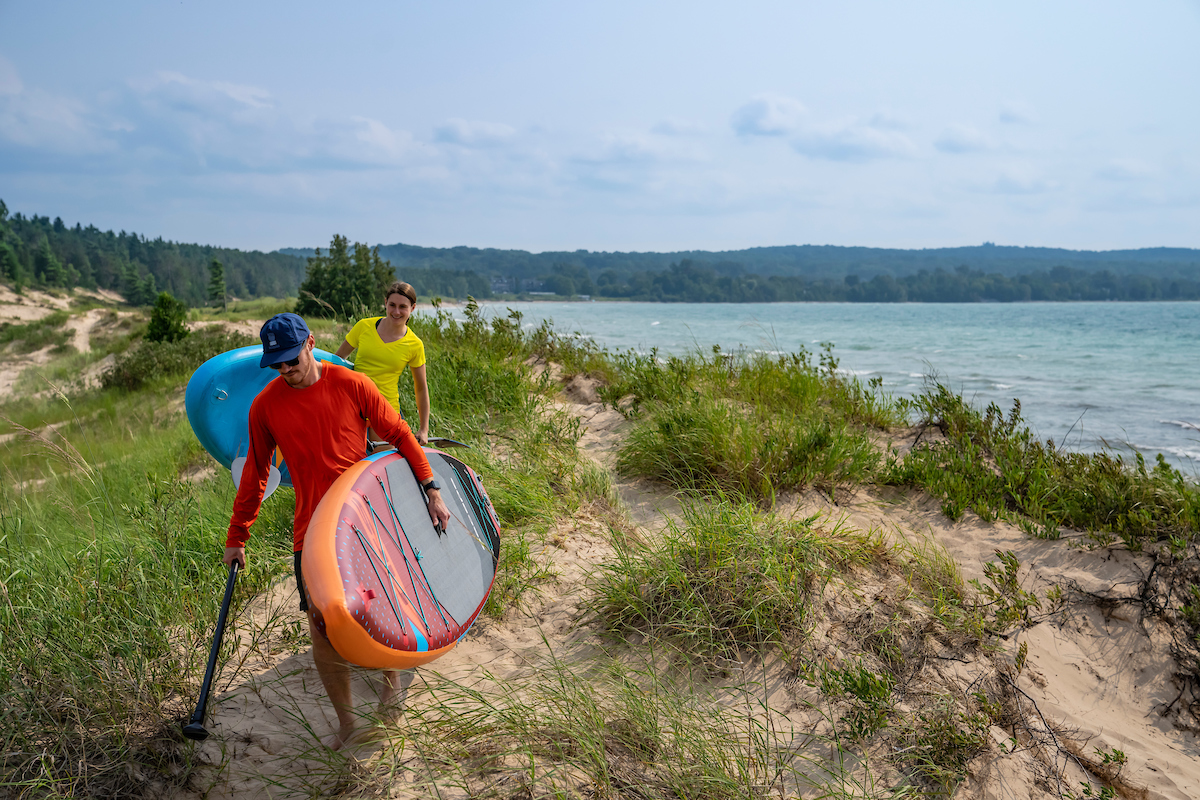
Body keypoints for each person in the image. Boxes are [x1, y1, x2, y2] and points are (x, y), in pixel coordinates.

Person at [223, 312, 450, 750]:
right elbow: (255, 474)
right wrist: (237, 536)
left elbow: (401, 435)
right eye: (277, 364)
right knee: (321, 623)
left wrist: (430, 487)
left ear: (310, 343)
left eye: (291, 359)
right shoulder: (266, 406)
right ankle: (347, 721)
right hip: (311, 529)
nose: (286, 370)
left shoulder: (352, 384)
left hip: (367, 518)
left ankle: (391, 680)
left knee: (386, 608)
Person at [336, 282, 430, 446]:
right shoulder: (364, 326)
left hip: (386, 410)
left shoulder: (415, 344)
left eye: (403, 307)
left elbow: (421, 387)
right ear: (385, 302)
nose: (396, 311)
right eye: (392, 305)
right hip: (352, 408)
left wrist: (424, 429)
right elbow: (336, 362)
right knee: (349, 465)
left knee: (380, 467)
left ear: (413, 308)